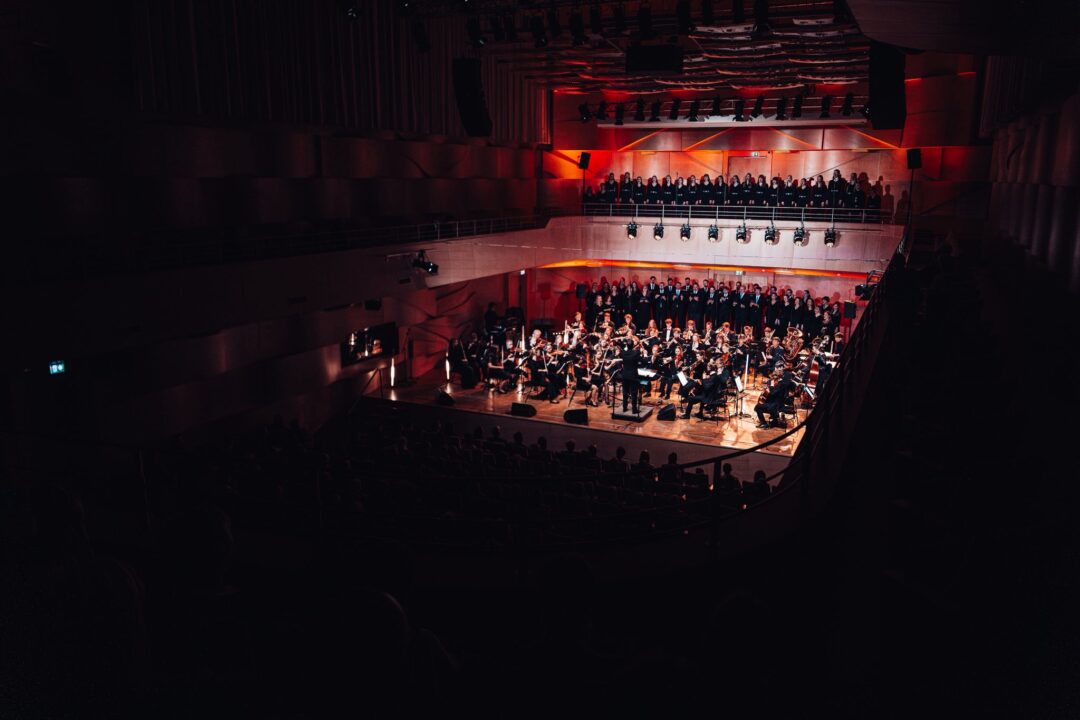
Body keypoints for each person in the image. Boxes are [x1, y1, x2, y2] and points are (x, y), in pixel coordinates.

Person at [619, 337, 644, 414]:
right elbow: (640, 359)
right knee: (634, 393)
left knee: (625, 392)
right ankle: (634, 409)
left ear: (626, 345)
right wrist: (641, 350)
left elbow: (622, 353)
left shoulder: (623, 353)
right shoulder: (636, 353)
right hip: (633, 375)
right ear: (633, 345)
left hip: (625, 375)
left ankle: (624, 407)